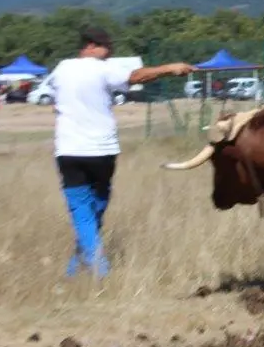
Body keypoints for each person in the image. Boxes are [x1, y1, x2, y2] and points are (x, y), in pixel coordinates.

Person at [45, 26, 195, 278]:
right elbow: (136, 76)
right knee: (90, 207)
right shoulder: (102, 68)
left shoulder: (61, 68)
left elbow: (54, 100)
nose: (109, 53)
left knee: (87, 210)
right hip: (102, 150)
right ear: (90, 46)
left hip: (69, 149)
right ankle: (100, 270)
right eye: (106, 48)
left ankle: (75, 268)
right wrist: (170, 68)